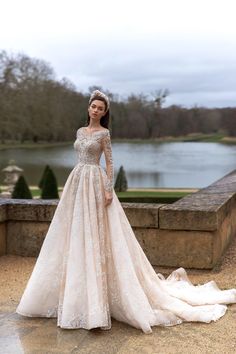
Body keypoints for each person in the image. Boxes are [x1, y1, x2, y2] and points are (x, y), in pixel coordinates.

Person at [16, 90, 236, 334]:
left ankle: (97, 303)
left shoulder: (104, 134)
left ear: (104, 112)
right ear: (88, 108)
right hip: (77, 181)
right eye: (93, 107)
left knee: (98, 235)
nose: (96, 110)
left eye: (100, 108)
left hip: (96, 183)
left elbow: (109, 162)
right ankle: (73, 297)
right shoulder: (79, 131)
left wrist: (109, 190)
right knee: (73, 233)